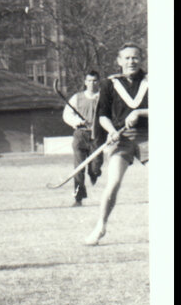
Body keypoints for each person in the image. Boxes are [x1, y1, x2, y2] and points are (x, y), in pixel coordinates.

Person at [84, 44, 148, 246]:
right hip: (121, 139)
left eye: (135, 58)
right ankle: (100, 226)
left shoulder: (151, 81)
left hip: (150, 137)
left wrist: (140, 113)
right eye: (127, 58)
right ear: (119, 61)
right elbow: (102, 115)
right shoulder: (110, 84)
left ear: (141, 59)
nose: (131, 62)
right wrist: (111, 131)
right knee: (113, 184)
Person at [62, 70, 104, 207]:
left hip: (97, 135)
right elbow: (67, 114)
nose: (92, 84)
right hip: (81, 135)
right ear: (85, 82)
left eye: (95, 81)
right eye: (89, 81)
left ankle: (94, 174)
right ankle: (78, 198)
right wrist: (77, 122)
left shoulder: (104, 97)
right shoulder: (77, 98)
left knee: (96, 166)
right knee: (79, 168)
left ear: (99, 82)